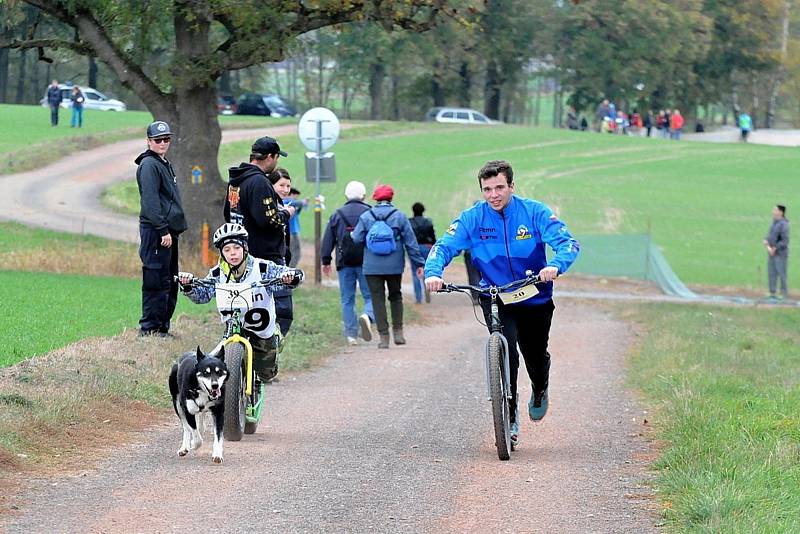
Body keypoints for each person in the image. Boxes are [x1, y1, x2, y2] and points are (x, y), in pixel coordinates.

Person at [424, 160, 580, 447]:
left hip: (534, 294)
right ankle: (509, 415)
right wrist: (434, 273)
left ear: (511, 186)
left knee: (534, 354)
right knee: (505, 348)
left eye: (499, 187)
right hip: (495, 296)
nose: (493, 195)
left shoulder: (535, 212)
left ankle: (540, 387)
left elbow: (568, 243)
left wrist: (556, 266)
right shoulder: (472, 218)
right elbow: (444, 246)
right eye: (487, 189)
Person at [177, 223, 304, 382]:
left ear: (245, 248)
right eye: (227, 250)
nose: (232, 254)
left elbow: (287, 276)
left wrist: (292, 277)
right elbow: (202, 295)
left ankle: (276, 336)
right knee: (220, 367)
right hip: (234, 327)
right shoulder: (218, 273)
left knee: (267, 374)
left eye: (236, 248)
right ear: (221, 253)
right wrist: (188, 285)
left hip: (262, 330)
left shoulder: (262, 268)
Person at [224, 136, 296, 336]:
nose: (277, 162)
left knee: (245, 310)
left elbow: (227, 214)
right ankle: (267, 353)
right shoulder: (259, 182)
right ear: (270, 157)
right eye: (277, 158)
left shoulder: (235, 182)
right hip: (264, 256)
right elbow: (268, 220)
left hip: (239, 256)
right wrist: (285, 214)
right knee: (280, 311)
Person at [351, 184, 425, 349]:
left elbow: (356, 239)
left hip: (371, 266)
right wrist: (418, 263)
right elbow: (411, 243)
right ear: (391, 198)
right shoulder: (399, 216)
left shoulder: (366, 216)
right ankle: (398, 333)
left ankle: (384, 337)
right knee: (395, 296)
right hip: (394, 265)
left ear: (375, 199)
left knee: (377, 299)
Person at [135, 120, 187, 337]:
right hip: (157, 232)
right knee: (156, 279)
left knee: (169, 279)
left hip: (168, 231)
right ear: (149, 141)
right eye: (158, 140)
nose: (163, 143)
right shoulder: (149, 165)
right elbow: (150, 202)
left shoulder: (162, 162)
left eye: (166, 139)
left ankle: (162, 326)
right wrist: (162, 229)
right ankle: (149, 328)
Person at [321, 180, 375, 346]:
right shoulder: (370, 213)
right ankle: (367, 315)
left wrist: (326, 260)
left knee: (347, 299)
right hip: (367, 261)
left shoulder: (337, 214)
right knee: (370, 295)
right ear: (363, 195)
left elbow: (328, 239)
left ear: (346, 195)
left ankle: (351, 335)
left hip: (344, 261)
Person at [409, 202, 436, 304]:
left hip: (414, 248)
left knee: (415, 272)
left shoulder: (409, 222)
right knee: (426, 269)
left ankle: (418, 298)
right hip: (426, 247)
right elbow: (433, 237)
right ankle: (427, 288)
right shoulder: (428, 222)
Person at [763, 204, 790, 301]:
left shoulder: (784, 225)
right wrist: (766, 241)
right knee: (771, 272)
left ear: (781, 212)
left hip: (780, 254)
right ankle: (772, 292)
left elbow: (784, 241)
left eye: (775, 210)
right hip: (771, 252)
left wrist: (775, 248)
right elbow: (770, 236)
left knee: (781, 273)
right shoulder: (774, 223)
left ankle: (783, 293)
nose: (773, 212)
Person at [285, 186, 308, 268]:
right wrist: (302, 202)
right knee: (295, 253)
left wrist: (301, 206)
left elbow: (296, 212)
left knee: (295, 253)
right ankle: (290, 269)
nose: (295, 199)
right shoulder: (286, 202)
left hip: (294, 232)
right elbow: (294, 203)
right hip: (291, 233)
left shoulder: (291, 204)